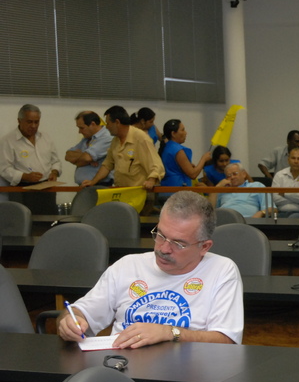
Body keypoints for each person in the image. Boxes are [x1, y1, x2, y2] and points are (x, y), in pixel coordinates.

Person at [57, 191, 244, 348]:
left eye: (178, 243)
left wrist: (169, 332)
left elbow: (227, 340)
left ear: (204, 247)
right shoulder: (127, 265)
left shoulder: (221, 270)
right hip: (121, 367)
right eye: (160, 235)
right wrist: (70, 322)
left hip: (187, 371)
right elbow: (79, 312)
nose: (164, 249)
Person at [80, 105, 165, 193]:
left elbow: (156, 164)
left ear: (117, 122)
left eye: (108, 123)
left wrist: (151, 180)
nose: (107, 127)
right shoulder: (115, 141)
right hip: (122, 192)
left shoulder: (141, 138)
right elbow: (107, 165)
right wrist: (93, 182)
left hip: (140, 193)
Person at [0, 104, 61, 186]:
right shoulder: (8, 141)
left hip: (48, 185)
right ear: (19, 121)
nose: (33, 126)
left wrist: (54, 172)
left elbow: (56, 161)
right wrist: (25, 176)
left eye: (36, 122)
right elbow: (4, 169)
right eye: (29, 122)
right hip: (22, 186)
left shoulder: (46, 138)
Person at [158, 119, 212, 188]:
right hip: (177, 189)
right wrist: (203, 159)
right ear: (173, 134)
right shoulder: (177, 150)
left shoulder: (167, 147)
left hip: (167, 187)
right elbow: (193, 174)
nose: (186, 133)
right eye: (182, 130)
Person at [64, 111, 113, 185]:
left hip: (99, 184)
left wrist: (81, 159)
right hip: (85, 185)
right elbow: (68, 155)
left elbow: (87, 158)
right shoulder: (87, 138)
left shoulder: (107, 137)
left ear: (92, 124)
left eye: (82, 128)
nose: (79, 131)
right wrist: (87, 159)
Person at [272, 147, 299, 217]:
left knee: (293, 218)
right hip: (280, 212)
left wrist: (284, 193)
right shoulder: (279, 175)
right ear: (288, 160)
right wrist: (298, 199)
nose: (296, 161)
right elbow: (275, 199)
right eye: (293, 158)